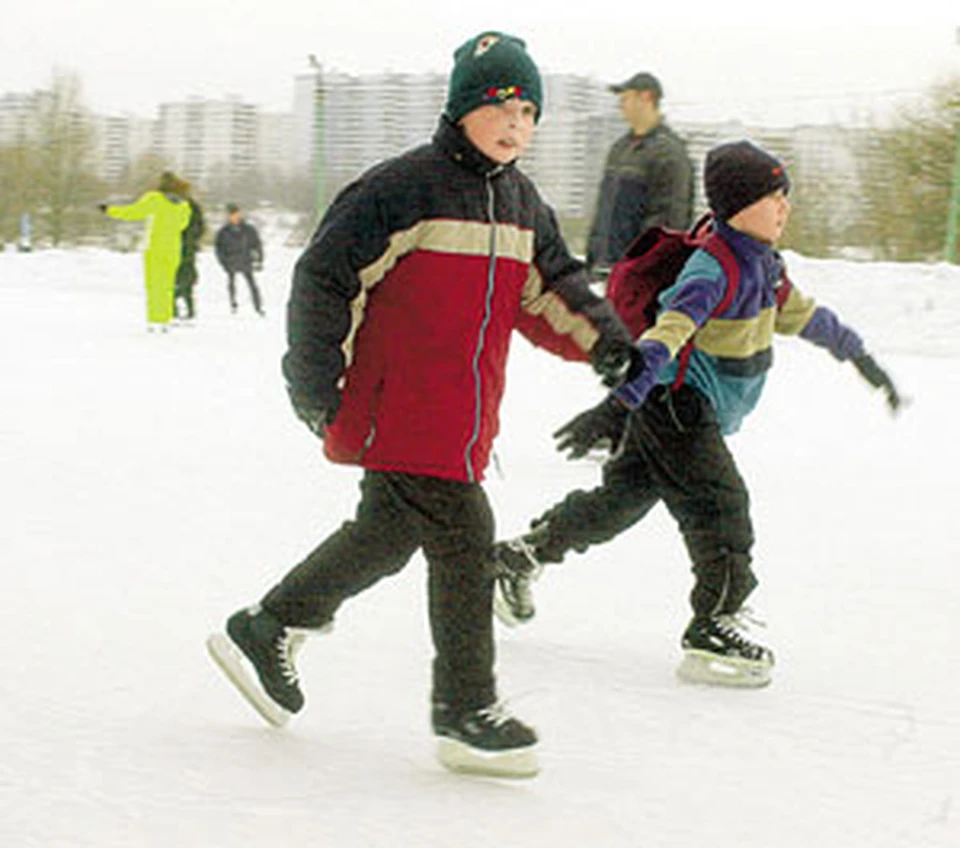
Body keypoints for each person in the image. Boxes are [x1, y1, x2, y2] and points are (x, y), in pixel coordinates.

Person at [205, 31, 634, 779]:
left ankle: (267, 624)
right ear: (464, 106)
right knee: (467, 537)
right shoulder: (403, 188)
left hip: (461, 416)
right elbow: (324, 279)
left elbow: (550, 291)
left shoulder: (522, 202)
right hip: (395, 405)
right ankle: (466, 713)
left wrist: (606, 341)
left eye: (529, 111)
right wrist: (315, 385)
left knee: (386, 534)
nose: (516, 123)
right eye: (501, 104)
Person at [490, 140, 902, 688]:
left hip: (674, 406)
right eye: (773, 196)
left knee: (620, 502)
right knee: (720, 504)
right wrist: (621, 401)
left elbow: (808, 317)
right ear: (738, 205)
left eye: (786, 196)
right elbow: (665, 336)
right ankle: (714, 622)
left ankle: (519, 557)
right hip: (678, 404)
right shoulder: (714, 268)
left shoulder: (766, 267)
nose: (784, 207)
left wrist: (862, 358)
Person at [585, 72, 693, 279]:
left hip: (637, 277)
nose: (621, 105)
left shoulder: (669, 153)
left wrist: (640, 269)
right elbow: (604, 211)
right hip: (603, 270)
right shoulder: (620, 148)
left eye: (626, 98)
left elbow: (670, 220)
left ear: (647, 98)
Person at [101, 172, 192, 332]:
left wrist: (109, 210)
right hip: (173, 248)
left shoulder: (154, 199)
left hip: (154, 247)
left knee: (154, 285)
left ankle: (154, 320)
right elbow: (183, 225)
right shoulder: (184, 205)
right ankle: (165, 319)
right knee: (167, 286)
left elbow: (134, 212)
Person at [215, 204, 264, 315]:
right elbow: (219, 248)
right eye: (231, 215)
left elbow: (257, 244)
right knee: (231, 283)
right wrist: (223, 262)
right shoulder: (223, 231)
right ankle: (233, 304)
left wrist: (259, 259)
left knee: (252, 284)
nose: (234, 217)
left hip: (246, 260)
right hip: (231, 261)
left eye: (236, 214)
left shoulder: (249, 229)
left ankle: (258, 306)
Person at [172, 178, 205, 323]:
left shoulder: (177, 206)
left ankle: (176, 308)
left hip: (179, 247)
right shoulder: (192, 206)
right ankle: (188, 309)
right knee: (186, 278)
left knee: (178, 279)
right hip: (187, 247)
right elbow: (201, 227)